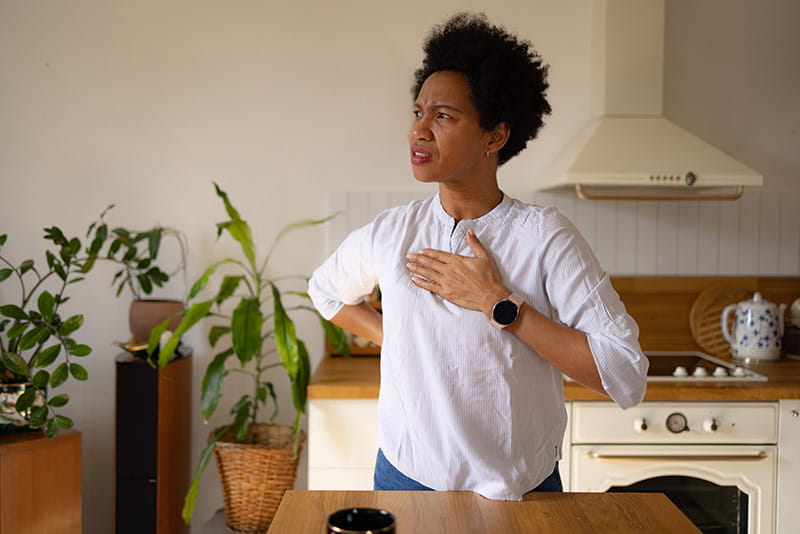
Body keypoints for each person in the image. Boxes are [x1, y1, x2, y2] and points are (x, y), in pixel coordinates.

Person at [308, 12, 648, 501]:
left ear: (495, 137)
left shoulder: (545, 237)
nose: (419, 131)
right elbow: (324, 290)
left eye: (443, 116)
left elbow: (625, 374)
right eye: (418, 112)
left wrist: (499, 304)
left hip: (522, 489)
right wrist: (396, 337)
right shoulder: (391, 232)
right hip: (406, 478)